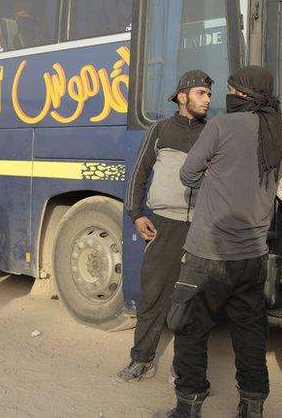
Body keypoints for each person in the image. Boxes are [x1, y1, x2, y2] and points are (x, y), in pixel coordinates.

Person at [161, 66, 282, 418]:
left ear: (243, 95)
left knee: (189, 327)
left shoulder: (221, 126)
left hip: (209, 252)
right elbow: (278, 187)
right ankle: (251, 407)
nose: (226, 96)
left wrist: (211, 173)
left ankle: (188, 406)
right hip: (253, 256)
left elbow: (187, 173)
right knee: (250, 335)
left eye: (231, 89)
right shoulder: (279, 135)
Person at [117, 70, 213, 383]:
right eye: (201, 93)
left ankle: (184, 370)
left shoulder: (211, 133)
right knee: (153, 297)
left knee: (192, 303)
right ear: (182, 96)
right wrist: (136, 214)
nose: (207, 100)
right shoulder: (160, 130)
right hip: (164, 226)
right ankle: (141, 361)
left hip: (198, 229)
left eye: (209, 94)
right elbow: (138, 173)